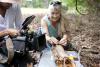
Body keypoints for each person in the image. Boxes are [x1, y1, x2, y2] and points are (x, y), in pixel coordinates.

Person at [38, 1, 84, 67]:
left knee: (65, 51)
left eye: (57, 13)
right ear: (49, 12)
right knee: (52, 53)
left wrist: (65, 38)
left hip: (59, 40)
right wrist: (50, 39)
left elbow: (65, 33)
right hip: (48, 41)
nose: (55, 16)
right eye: (52, 13)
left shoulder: (63, 19)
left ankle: (66, 59)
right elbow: (46, 36)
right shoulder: (44, 20)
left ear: (60, 13)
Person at [0, 0, 33, 67]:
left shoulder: (15, 5)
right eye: (8, 1)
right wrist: (6, 32)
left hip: (11, 43)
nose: (11, 4)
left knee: (28, 61)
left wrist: (23, 30)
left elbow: (20, 26)